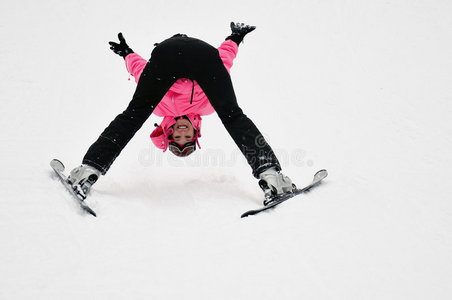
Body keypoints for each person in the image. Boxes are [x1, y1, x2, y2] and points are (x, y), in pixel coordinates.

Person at [67, 22, 294, 204]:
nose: (183, 133)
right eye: (188, 138)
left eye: (178, 137)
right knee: (233, 116)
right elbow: (224, 61)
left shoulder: (160, 108)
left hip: (168, 55)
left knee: (133, 115)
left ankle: (87, 171)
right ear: (196, 131)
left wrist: (127, 53)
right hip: (202, 56)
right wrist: (234, 39)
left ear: (168, 131)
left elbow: (140, 71)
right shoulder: (207, 108)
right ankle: (271, 176)